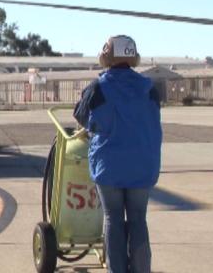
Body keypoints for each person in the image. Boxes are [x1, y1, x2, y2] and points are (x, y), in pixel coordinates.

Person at [73, 35, 162, 273]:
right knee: (138, 219)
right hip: (143, 165)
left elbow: (81, 116)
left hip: (109, 166)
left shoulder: (98, 87)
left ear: (106, 56)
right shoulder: (149, 88)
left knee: (112, 218)